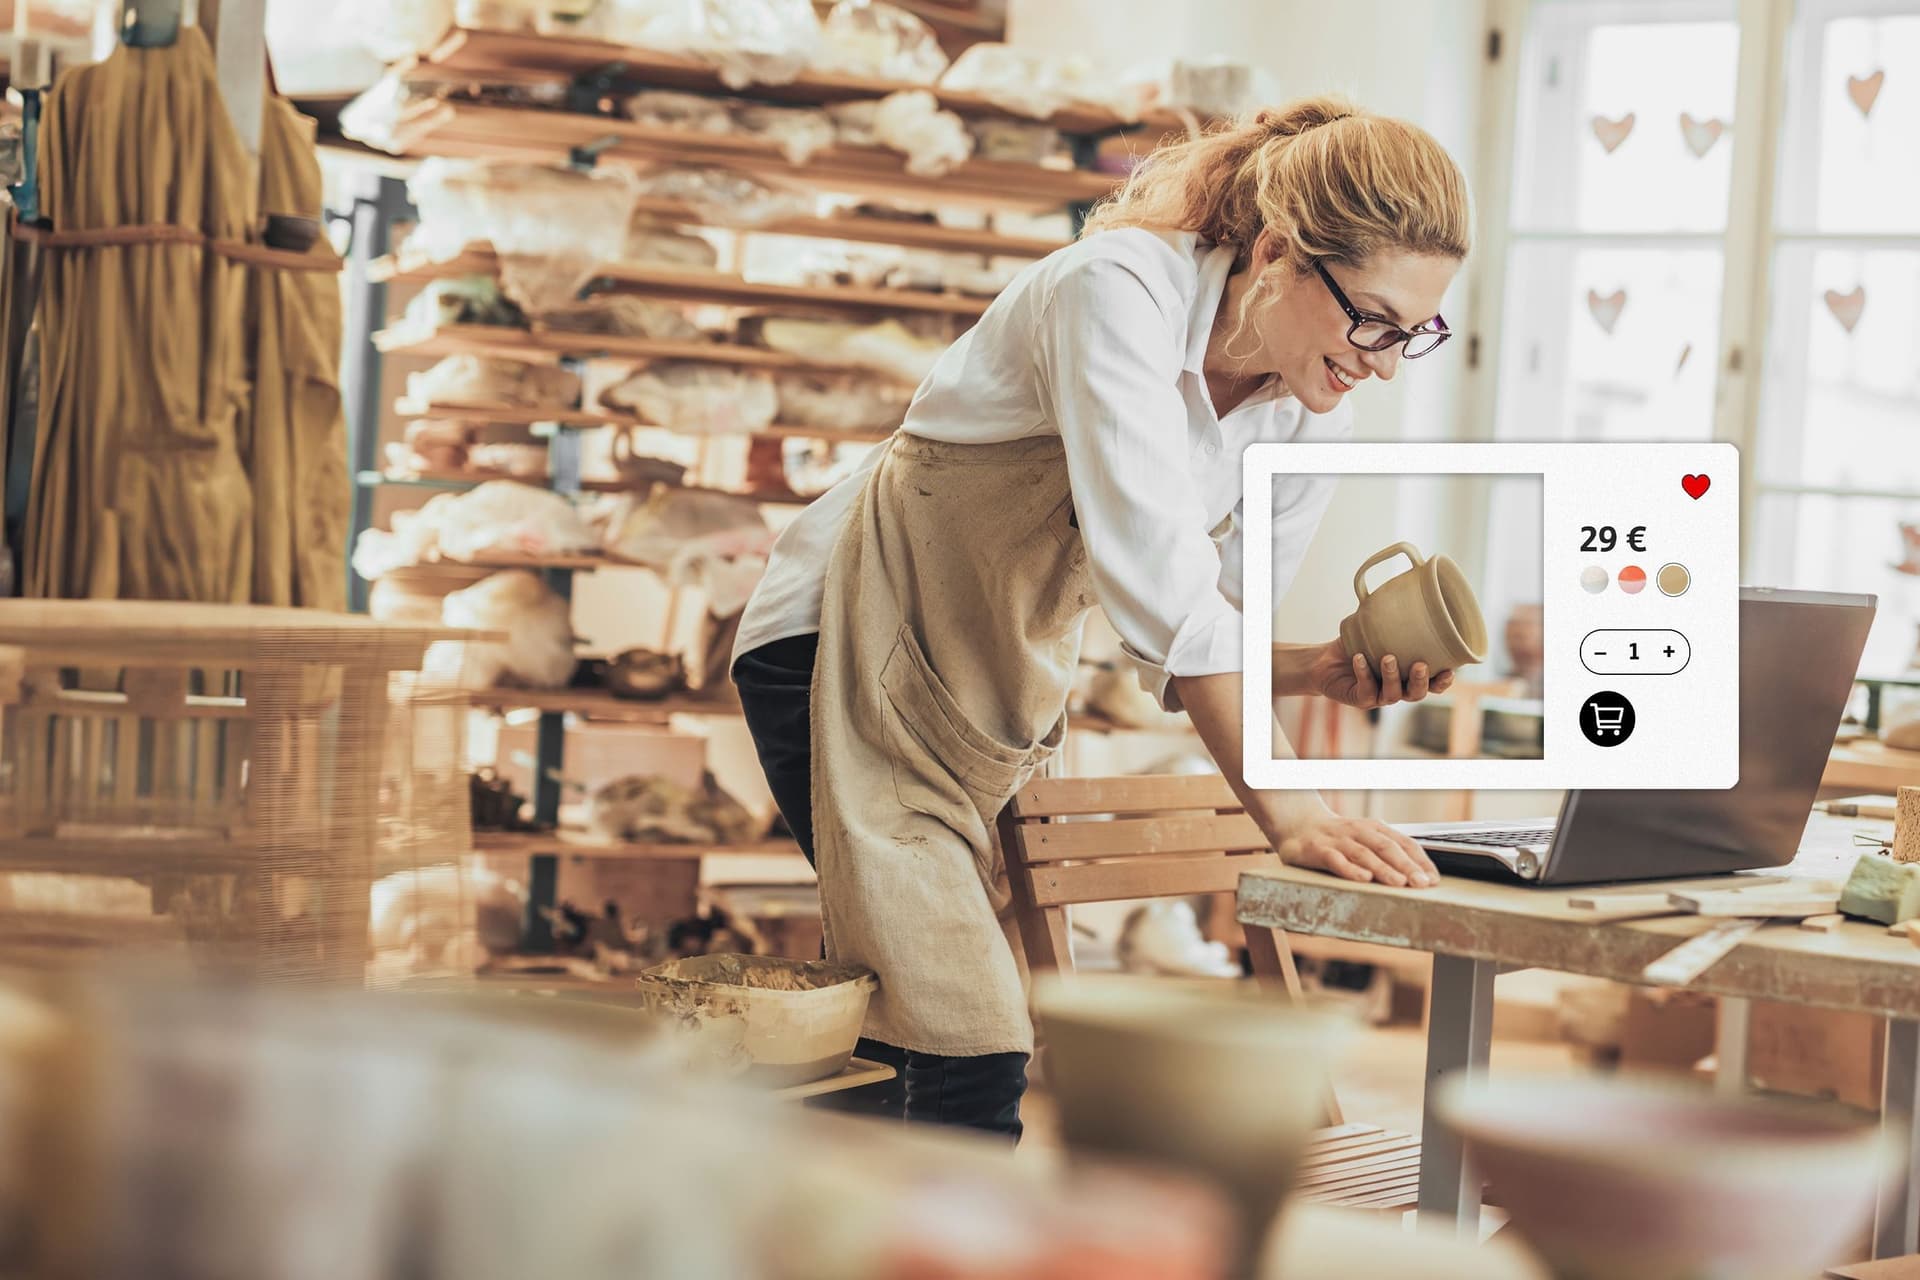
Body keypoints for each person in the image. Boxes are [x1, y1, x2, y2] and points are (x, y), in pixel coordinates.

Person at [730, 95, 1471, 1140]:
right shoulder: (1115, 290)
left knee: (921, 1030)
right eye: (1374, 320)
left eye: (1415, 333)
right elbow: (1169, 600)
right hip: (838, 648)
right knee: (957, 1039)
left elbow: (1205, 632)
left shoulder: (1308, 421)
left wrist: (1315, 669)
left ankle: (829, 1205)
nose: (1384, 361)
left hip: (982, 699)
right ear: (1276, 252)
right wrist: (1299, 814)